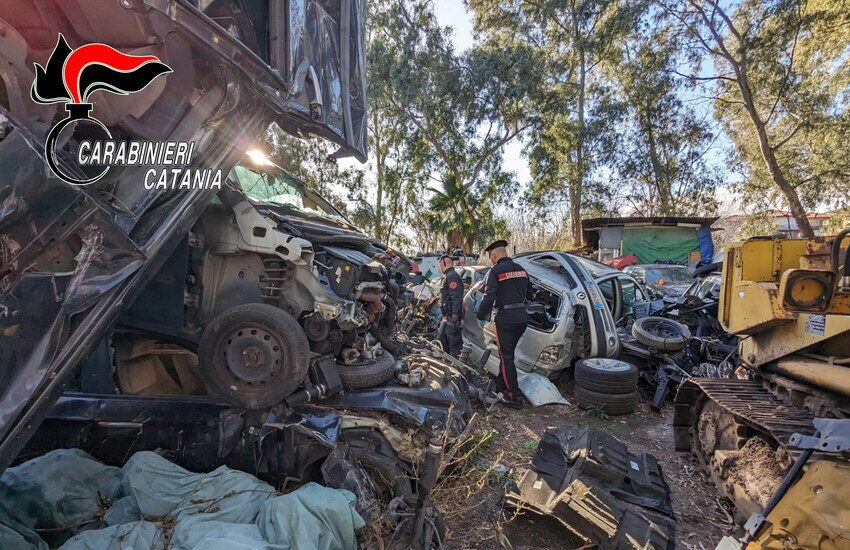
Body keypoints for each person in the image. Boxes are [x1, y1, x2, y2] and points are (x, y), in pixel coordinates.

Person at [475, 240, 528, 409]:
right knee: (507, 355)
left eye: (491, 256)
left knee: (506, 358)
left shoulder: (495, 271)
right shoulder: (522, 270)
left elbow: (489, 296)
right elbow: (530, 295)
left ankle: (514, 397)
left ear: (495, 255)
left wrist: (480, 315)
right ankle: (501, 386)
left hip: (505, 319)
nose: (491, 259)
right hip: (522, 318)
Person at [437, 254, 464, 357]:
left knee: (454, 341)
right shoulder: (447, 275)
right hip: (446, 315)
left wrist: (455, 315)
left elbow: (456, 297)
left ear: (443, 263)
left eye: (440, 264)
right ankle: (448, 359)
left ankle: (457, 362)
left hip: (452, 316)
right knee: (442, 336)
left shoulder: (452, 276)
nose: (439, 266)